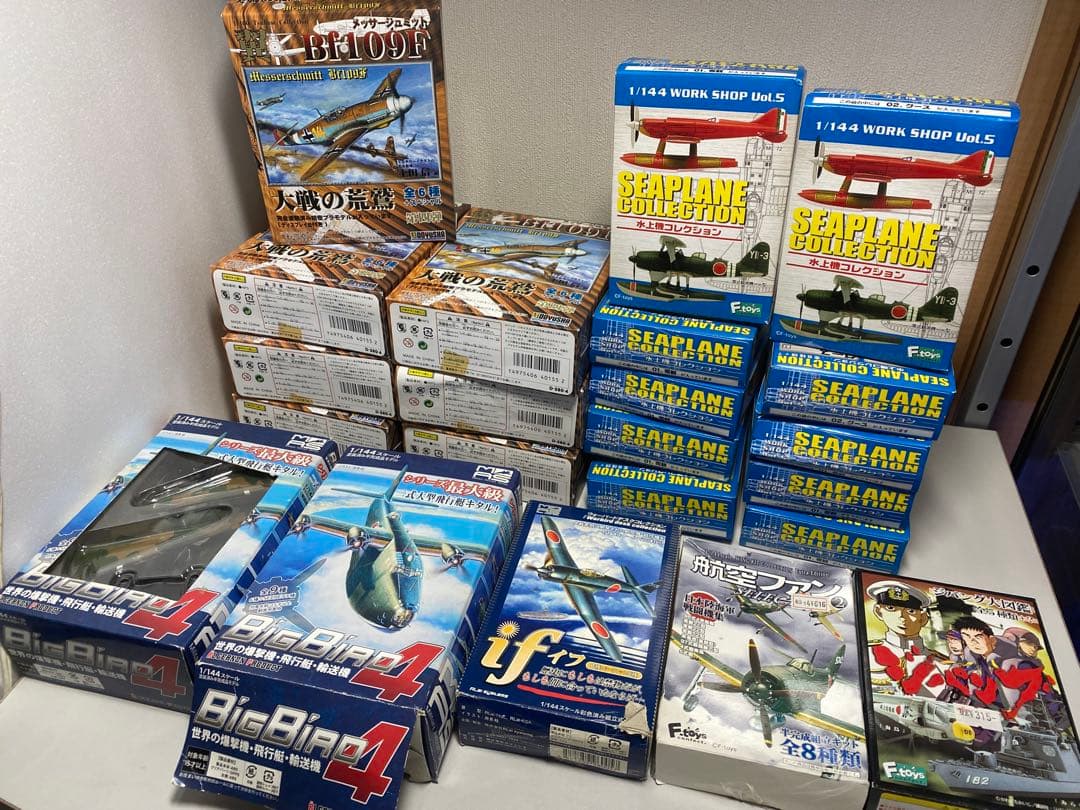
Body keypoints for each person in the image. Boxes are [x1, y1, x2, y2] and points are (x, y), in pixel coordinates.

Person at [866, 579, 947, 697]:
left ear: (923, 618)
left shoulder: (942, 663)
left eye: (911, 611)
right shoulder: (867, 653)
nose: (902, 617)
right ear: (879, 612)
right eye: (891, 608)